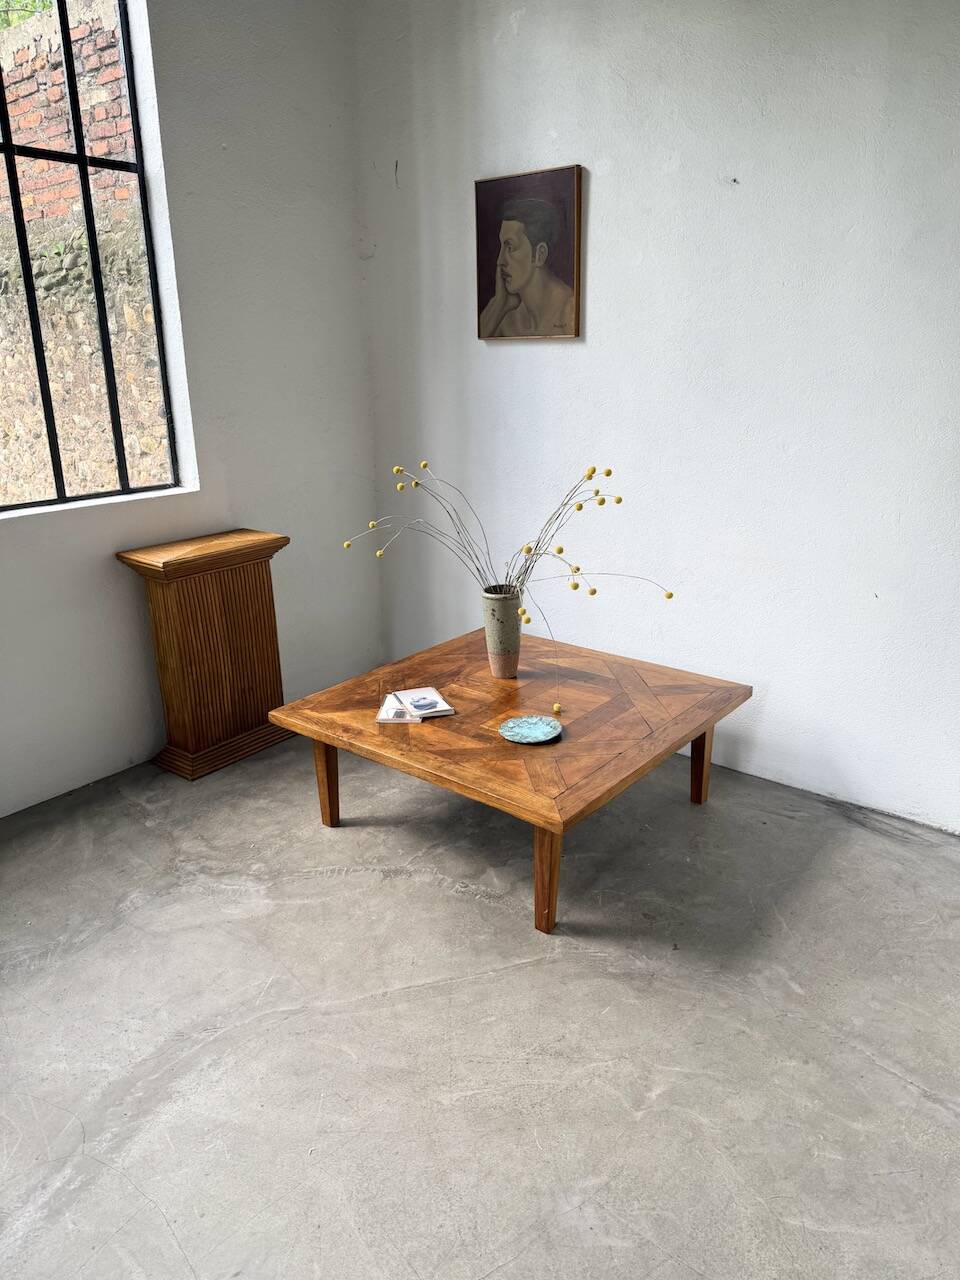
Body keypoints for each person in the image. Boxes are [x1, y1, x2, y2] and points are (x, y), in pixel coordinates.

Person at [479, 196, 575, 338]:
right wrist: (499, 303)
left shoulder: (569, 312)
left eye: (510, 247)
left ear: (539, 254)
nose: (500, 261)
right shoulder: (507, 318)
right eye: (502, 247)